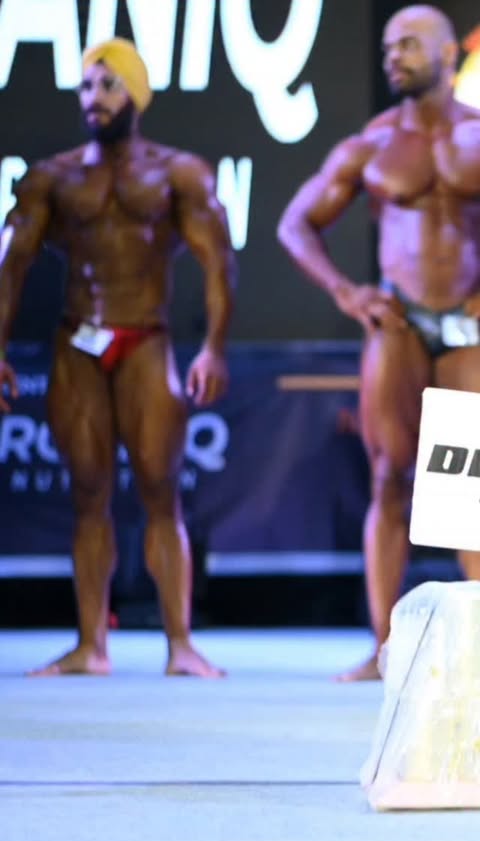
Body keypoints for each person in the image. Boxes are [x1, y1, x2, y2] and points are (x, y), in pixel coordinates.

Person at [0, 38, 235, 677]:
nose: (94, 98)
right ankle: (90, 645)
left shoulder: (177, 174)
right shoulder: (53, 177)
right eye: (86, 86)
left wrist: (214, 348)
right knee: (87, 493)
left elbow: (219, 263)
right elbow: (12, 264)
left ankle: (180, 644)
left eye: (108, 85)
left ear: (136, 95)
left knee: (161, 491)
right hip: (78, 340)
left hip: (146, 340)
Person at [277, 4, 480, 680]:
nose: (394, 56)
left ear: (448, 53)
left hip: (466, 331)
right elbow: (296, 223)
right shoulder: (373, 144)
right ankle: (385, 648)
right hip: (398, 325)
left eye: (410, 45)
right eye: (390, 46)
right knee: (391, 478)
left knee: (463, 491)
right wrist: (346, 291)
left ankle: (478, 648)